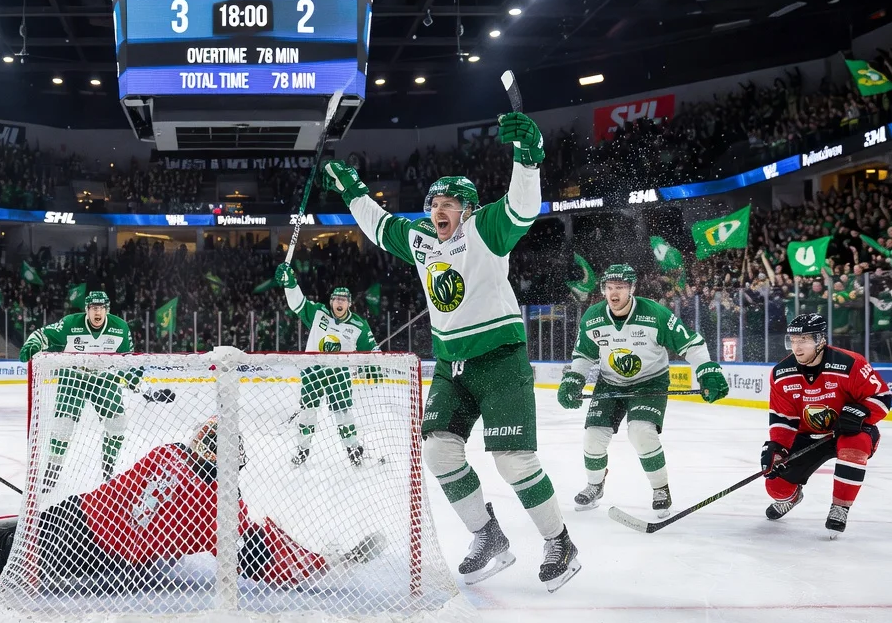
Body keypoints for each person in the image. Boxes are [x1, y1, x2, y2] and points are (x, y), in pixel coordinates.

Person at [321, 111, 580, 592]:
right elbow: (379, 225)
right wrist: (352, 189)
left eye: (450, 204)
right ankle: (487, 535)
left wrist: (528, 158)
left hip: (500, 359)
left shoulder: (486, 228)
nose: (440, 211)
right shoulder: (422, 240)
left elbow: (523, 207)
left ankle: (560, 542)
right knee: (439, 451)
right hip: (450, 365)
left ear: (468, 209)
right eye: (435, 204)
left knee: (513, 461)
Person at [0, 416, 384, 596]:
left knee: (0, 550)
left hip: (78, 518)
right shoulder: (224, 507)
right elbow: (260, 556)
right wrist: (326, 561)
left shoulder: (169, 450)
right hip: (101, 551)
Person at [557, 264, 729, 516]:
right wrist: (574, 378)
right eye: (609, 287)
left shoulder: (655, 314)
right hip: (610, 382)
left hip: (650, 382)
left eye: (620, 287)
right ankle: (595, 485)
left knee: (641, 432)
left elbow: (691, 343)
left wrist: (707, 370)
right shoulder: (593, 317)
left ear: (632, 289)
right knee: (593, 437)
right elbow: (584, 353)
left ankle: (661, 489)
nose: (614, 293)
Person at [19, 291, 171, 489]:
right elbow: (42, 334)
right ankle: (53, 468)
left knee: (117, 422)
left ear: (107, 310)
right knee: (63, 425)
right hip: (73, 377)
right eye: (93, 308)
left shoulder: (120, 328)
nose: (97, 312)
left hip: (104, 378)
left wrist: (141, 385)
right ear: (87, 310)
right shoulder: (70, 324)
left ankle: (108, 468)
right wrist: (32, 343)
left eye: (101, 308)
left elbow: (128, 362)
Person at [764, 313, 891, 537]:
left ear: (820, 340)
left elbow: (881, 397)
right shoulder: (781, 374)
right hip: (808, 435)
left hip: (848, 431)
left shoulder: (850, 363)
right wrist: (777, 448)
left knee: (856, 445)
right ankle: (792, 498)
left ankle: (840, 508)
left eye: (804, 340)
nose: (797, 347)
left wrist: (860, 413)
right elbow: (783, 419)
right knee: (775, 485)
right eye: (793, 341)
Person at [273, 263, 378, 466]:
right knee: (308, 413)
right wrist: (290, 283)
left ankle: (353, 449)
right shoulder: (318, 312)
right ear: (331, 301)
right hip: (312, 370)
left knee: (344, 414)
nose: (339, 302)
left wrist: (374, 362)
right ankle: (302, 449)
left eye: (343, 300)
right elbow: (297, 303)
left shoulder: (359, 325)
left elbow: (373, 351)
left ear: (349, 304)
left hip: (339, 373)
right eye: (336, 299)